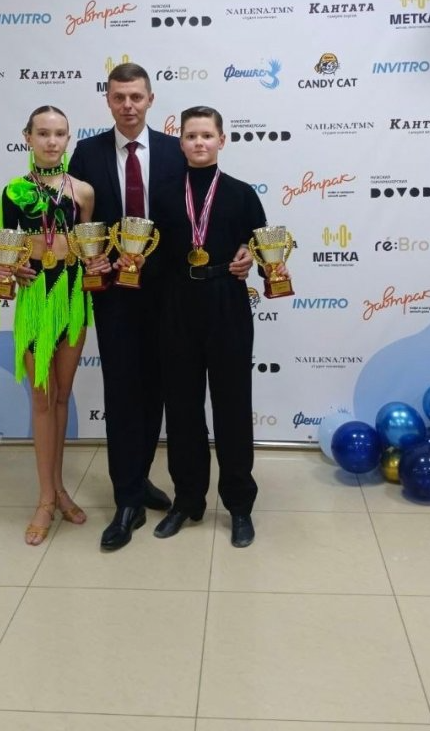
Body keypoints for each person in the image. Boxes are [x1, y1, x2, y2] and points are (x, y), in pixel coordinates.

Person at [67, 63, 254, 550]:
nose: (128, 105)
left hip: (174, 297)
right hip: (115, 295)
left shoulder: (176, 150)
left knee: (167, 397)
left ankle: (149, 478)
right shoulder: (86, 153)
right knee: (123, 393)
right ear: (108, 100)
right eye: (119, 97)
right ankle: (127, 498)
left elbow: (210, 216)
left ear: (151, 99)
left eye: (136, 96)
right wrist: (88, 258)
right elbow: (75, 224)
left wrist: (245, 250)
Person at [141, 105, 279, 549]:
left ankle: (239, 505)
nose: (199, 142)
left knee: (232, 407)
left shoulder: (241, 194)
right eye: (191, 136)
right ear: (180, 142)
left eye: (206, 135)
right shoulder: (163, 194)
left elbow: (263, 246)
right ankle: (187, 500)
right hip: (176, 304)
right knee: (182, 408)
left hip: (226, 302)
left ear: (222, 140)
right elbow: (152, 253)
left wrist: (250, 253)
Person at [0, 105, 101, 546]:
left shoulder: (84, 192)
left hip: (72, 297)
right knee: (41, 396)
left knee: (61, 396)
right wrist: (6, 269)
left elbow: (91, 248)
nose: (52, 141)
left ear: (68, 139)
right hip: (36, 297)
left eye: (59, 134)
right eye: (43, 133)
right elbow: (6, 248)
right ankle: (44, 499)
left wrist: (102, 262)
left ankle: (59, 490)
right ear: (28, 137)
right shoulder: (13, 192)